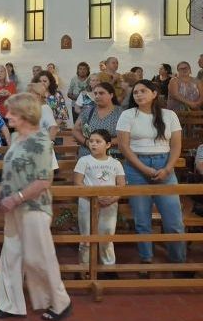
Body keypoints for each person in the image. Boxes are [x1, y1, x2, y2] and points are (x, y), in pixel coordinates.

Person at [0, 93, 71, 321]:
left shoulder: (42, 141)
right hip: (13, 208)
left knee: (39, 258)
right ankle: (10, 304)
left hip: (34, 207)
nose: (7, 116)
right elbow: (12, 173)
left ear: (26, 115)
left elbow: (44, 180)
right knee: (11, 255)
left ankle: (60, 302)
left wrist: (16, 198)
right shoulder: (16, 138)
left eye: (12, 112)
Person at [116, 79, 187, 272]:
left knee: (174, 220)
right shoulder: (128, 115)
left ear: (154, 93)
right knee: (142, 219)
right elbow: (124, 146)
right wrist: (143, 168)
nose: (138, 95)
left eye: (143, 91)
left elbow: (176, 145)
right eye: (136, 92)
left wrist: (168, 168)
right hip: (137, 166)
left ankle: (178, 260)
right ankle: (146, 259)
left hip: (165, 164)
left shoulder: (169, 115)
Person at [73, 129, 125, 272]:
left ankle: (109, 269)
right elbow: (78, 183)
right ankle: (84, 269)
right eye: (91, 141)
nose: (93, 145)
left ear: (108, 145)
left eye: (98, 142)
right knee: (86, 237)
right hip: (87, 202)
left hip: (109, 204)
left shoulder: (115, 163)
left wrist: (112, 198)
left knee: (106, 236)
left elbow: (121, 186)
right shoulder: (84, 161)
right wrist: (94, 197)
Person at [71, 82, 121, 157]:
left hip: (112, 154)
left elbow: (126, 136)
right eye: (95, 93)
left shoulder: (121, 113)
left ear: (111, 95)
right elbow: (75, 131)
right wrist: (87, 142)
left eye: (101, 93)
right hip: (88, 154)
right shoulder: (87, 111)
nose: (97, 96)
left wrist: (103, 144)